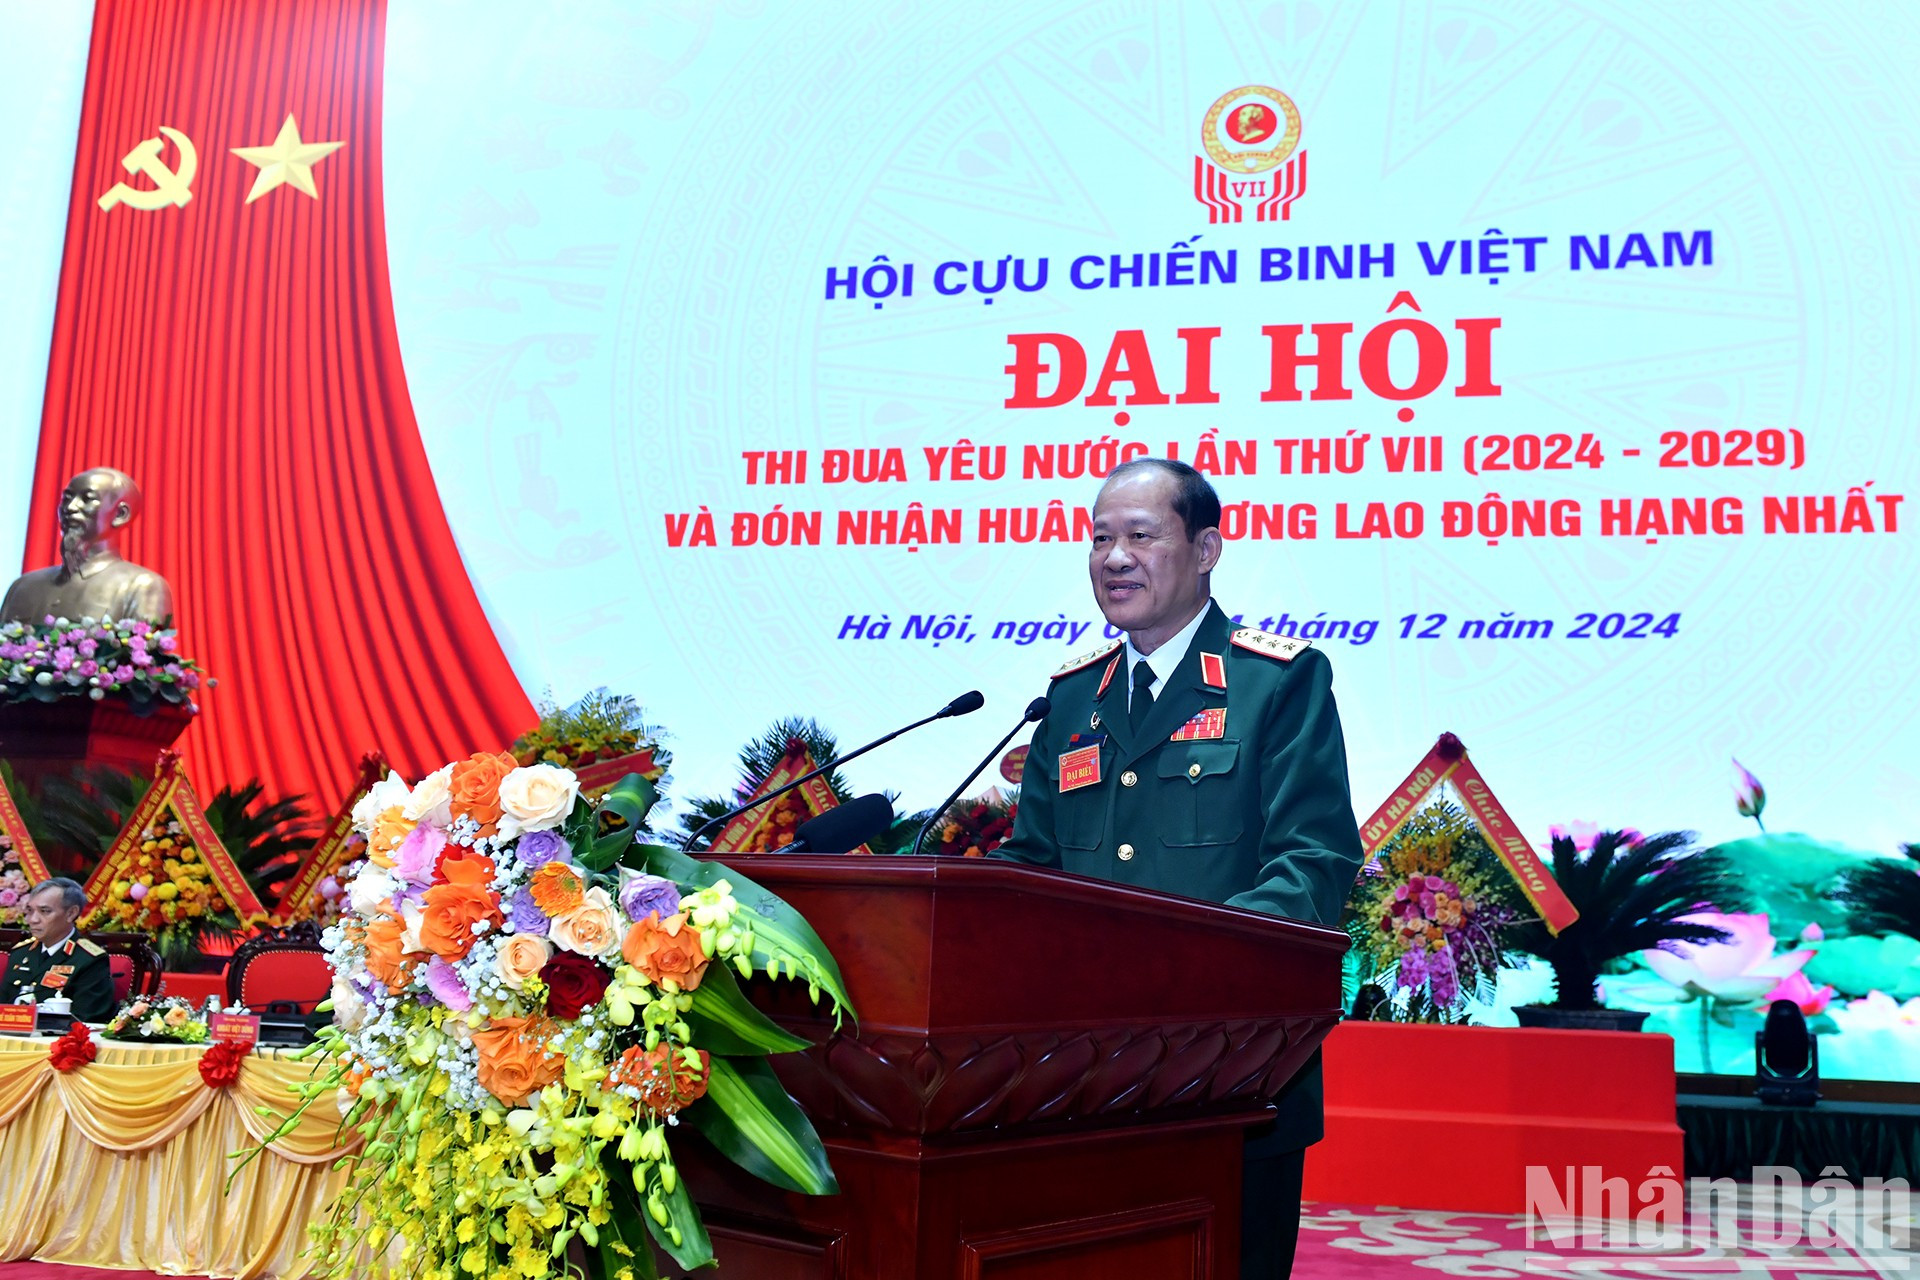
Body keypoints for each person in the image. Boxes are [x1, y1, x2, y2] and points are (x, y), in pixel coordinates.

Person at [992, 458, 1364, 1280]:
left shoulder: (1277, 682)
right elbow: (1033, 869)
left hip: (1233, 1081)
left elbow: (1314, 860)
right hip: (1082, 1084)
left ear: (1206, 549)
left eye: (1138, 536)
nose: (1113, 558)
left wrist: (1191, 974)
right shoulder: (1071, 700)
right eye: (1098, 540)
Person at [0, 466, 175, 625]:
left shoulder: (142, 587)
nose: (70, 507)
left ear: (120, 514)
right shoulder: (22, 587)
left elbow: (144, 657)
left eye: (87, 499)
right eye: (67, 498)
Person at [5, 878, 117, 1021]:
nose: (33, 919)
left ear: (71, 913)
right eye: (30, 910)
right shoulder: (20, 953)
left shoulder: (89, 959)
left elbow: (86, 1019)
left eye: (44, 911)